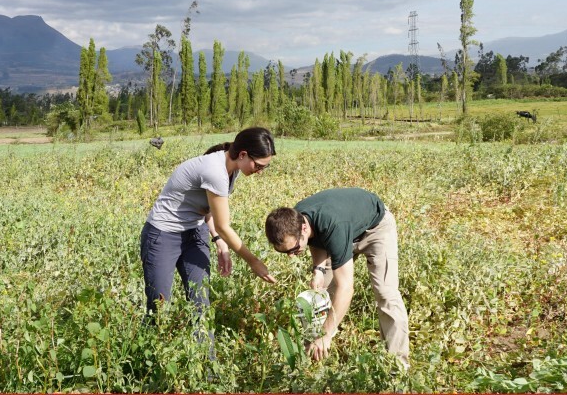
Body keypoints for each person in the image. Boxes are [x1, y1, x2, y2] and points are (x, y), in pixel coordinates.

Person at [141, 127, 278, 317]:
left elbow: (210, 210)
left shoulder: (233, 168)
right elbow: (223, 225)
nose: (260, 171)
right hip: (163, 234)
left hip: (195, 231)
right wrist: (253, 262)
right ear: (243, 155)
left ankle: (204, 348)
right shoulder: (215, 170)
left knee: (201, 303)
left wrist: (218, 241)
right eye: (259, 166)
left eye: (265, 167)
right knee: (159, 305)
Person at [265, 187, 409, 366]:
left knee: (386, 295)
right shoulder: (296, 218)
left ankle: (397, 368)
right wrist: (318, 269)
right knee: (321, 296)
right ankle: (312, 360)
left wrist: (325, 334)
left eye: (294, 249)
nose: (291, 255)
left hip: (375, 229)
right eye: (285, 252)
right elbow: (316, 237)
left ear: (303, 228)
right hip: (344, 230)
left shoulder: (334, 225)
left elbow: (346, 288)